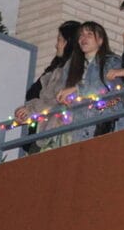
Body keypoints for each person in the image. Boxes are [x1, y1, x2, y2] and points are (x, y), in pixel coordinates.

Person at [54, 21, 124, 144]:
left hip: (104, 127)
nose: (83, 38)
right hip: (76, 131)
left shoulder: (112, 62)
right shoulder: (70, 66)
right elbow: (62, 92)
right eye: (81, 35)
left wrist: (77, 89)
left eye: (89, 34)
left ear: (100, 41)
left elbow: (106, 90)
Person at [16, 20, 81, 151]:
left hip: (54, 138)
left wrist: (31, 110)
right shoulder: (54, 70)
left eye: (60, 40)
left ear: (69, 43)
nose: (56, 45)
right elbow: (33, 93)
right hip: (40, 135)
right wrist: (26, 110)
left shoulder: (75, 73)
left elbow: (55, 101)